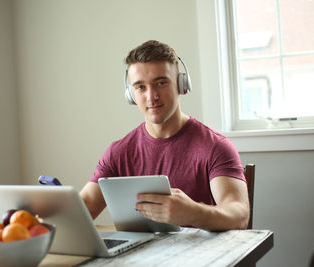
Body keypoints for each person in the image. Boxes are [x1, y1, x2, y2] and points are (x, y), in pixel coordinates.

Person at [80, 40, 249, 231]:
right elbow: (85, 206)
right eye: (140, 87)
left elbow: (239, 215)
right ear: (131, 94)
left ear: (181, 85)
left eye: (161, 83)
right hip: (138, 259)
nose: (151, 96)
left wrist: (194, 213)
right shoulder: (118, 152)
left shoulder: (215, 147)